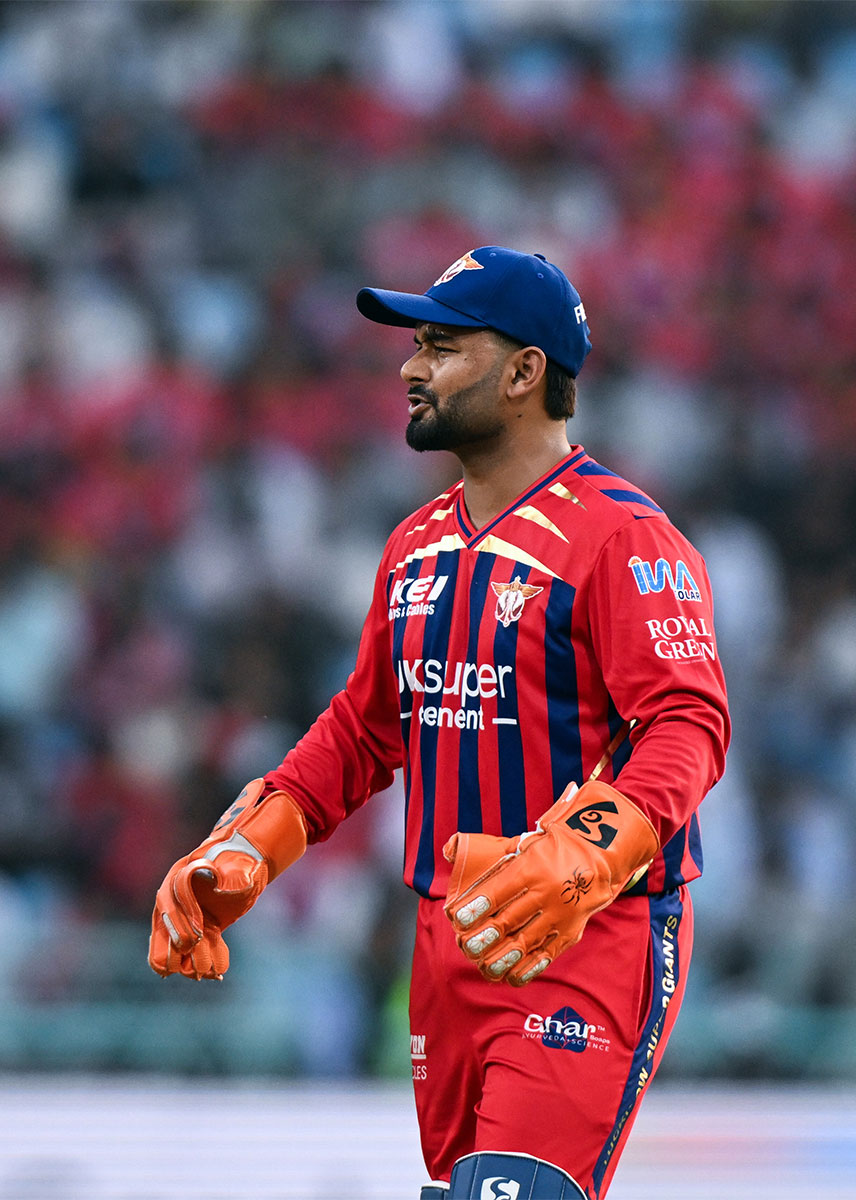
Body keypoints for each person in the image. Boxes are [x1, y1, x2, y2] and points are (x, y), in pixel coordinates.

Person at [149, 247, 729, 1200]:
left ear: (524, 371)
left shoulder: (624, 537)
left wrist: (587, 852)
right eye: (416, 344)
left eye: (443, 346)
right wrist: (250, 844)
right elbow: (367, 730)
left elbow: (688, 724)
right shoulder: (414, 543)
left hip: (589, 934)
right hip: (445, 941)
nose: (412, 368)